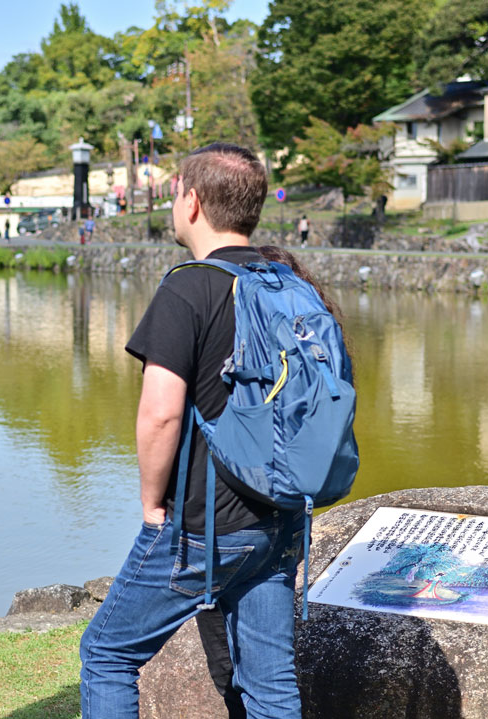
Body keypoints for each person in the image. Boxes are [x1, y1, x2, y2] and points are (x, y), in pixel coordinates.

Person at [79, 143, 304, 718]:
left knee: (107, 652)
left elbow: (160, 414)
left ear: (193, 202)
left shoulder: (189, 286)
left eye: (176, 192)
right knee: (270, 684)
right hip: (280, 516)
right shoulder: (285, 282)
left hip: (207, 524)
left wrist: (153, 502)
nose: (174, 203)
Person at [194, 243, 343, 719]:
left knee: (232, 670)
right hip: (287, 513)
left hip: (226, 519)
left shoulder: (239, 323)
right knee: (271, 679)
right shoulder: (311, 328)